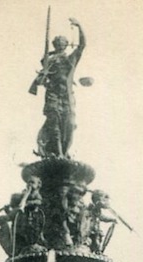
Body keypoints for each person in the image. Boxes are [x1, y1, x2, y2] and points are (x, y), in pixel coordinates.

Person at [31, 18, 86, 158]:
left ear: (66, 45)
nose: (60, 45)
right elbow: (41, 80)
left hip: (67, 95)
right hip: (53, 94)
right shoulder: (49, 61)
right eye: (58, 43)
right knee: (53, 122)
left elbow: (82, 45)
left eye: (63, 43)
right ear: (54, 45)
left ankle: (65, 152)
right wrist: (43, 76)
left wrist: (79, 27)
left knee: (70, 124)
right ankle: (58, 153)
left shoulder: (70, 59)